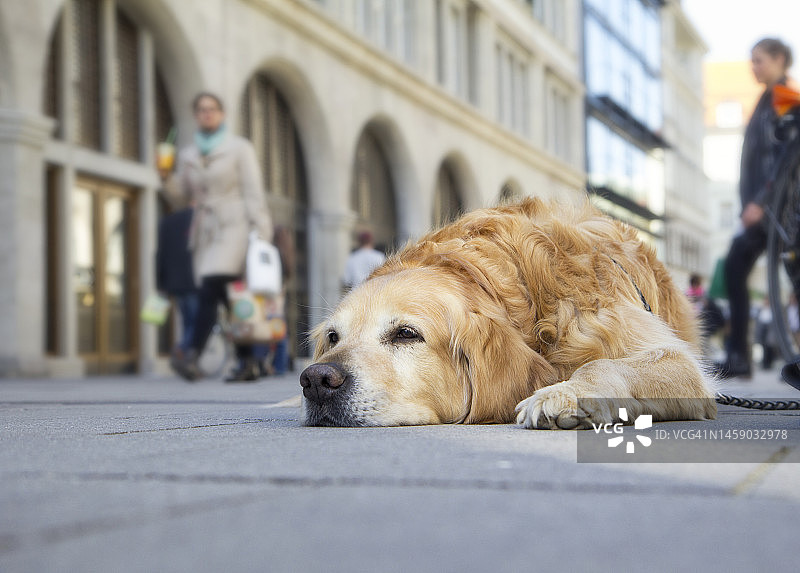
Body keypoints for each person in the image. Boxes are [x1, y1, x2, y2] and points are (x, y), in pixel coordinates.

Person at [163, 92, 273, 382]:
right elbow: (181, 198)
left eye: (212, 109)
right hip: (205, 232)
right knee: (231, 297)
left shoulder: (239, 148)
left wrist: (262, 233)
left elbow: (253, 192)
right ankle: (248, 362)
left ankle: (191, 352)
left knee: (210, 287)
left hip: (235, 226)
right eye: (201, 110)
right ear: (195, 116)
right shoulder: (188, 154)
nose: (206, 114)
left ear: (222, 114)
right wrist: (165, 177)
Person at [714, 38, 794, 379]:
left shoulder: (785, 98)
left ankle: (742, 356)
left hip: (779, 209)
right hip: (761, 211)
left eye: (759, 60)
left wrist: (761, 202)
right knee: (735, 266)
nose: (754, 67)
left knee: (795, 274)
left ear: (779, 59)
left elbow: (786, 155)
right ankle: (739, 356)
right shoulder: (765, 100)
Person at [155, 194, 198, 364]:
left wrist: (160, 283)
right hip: (194, 281)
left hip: (175, 282)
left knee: (188, 321)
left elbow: (159, 255)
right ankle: (182, 349)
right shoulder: (196, 220)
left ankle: (186, 355)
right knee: (195, 321)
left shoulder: (167, 222)